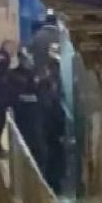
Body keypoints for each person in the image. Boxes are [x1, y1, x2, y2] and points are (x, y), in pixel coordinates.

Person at [7, 50, 43, 165]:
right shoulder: (13, 75)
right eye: (28, 58)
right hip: (23, 118)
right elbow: (12, 96)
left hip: (35, 119)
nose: (30, 60)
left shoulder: (37, 75)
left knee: (36, 148)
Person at [36, 63, 66, 192]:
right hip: (52, 134)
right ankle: (54, 185)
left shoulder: (40, 96)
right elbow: (58, 115)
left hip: (44, 133)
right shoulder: (52, 99)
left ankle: (49, 183)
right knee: (54, 159)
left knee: (47, 158)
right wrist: (61, 133)